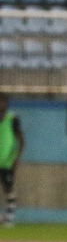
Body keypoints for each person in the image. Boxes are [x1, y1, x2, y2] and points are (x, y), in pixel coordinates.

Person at [0, 94, 24, 227]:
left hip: (8, 162)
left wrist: (16, 157)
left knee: (8, 188)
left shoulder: (12, 119)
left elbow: (21, 140)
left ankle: (9, 217)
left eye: (2, 102)